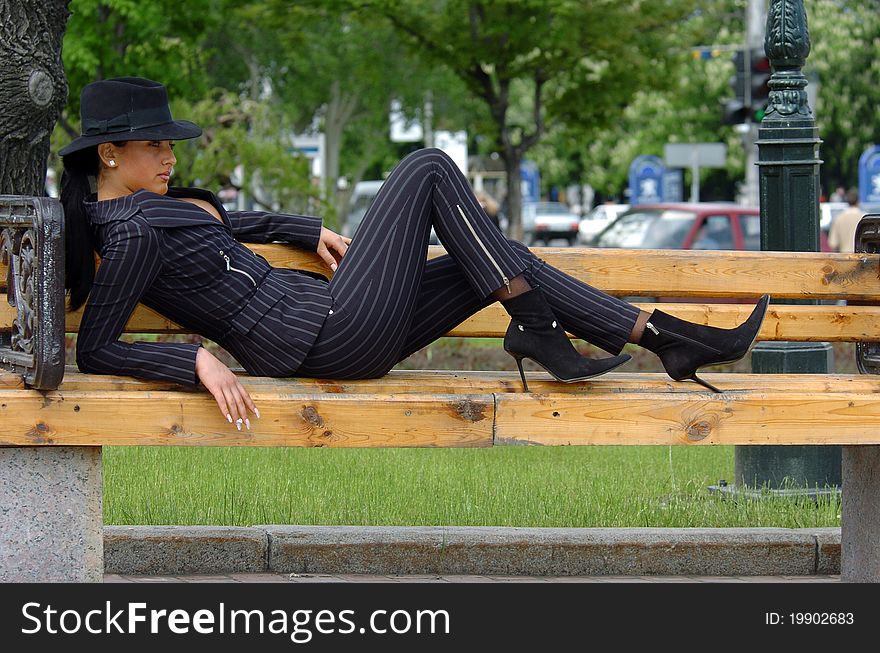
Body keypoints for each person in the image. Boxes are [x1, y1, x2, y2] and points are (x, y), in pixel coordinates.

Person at [60, 77, 770, 430]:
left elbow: (228, 221)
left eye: (170, 142)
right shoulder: (127, 234)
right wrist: (194, 358)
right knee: (428, 165)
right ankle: (539, 330)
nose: (169, 153)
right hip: (318, 334)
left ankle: (669, 338)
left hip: (330, 317)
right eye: (155, 144)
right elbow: (95, 347)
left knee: (503, 254)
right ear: (110, 152)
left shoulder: (166, 205)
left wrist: (303, 229)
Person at [827, 188, 864, 253]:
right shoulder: (863, 218)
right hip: (860, 259)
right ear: (858, 201)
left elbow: (833, 244)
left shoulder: (839, 219)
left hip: (844, 258)